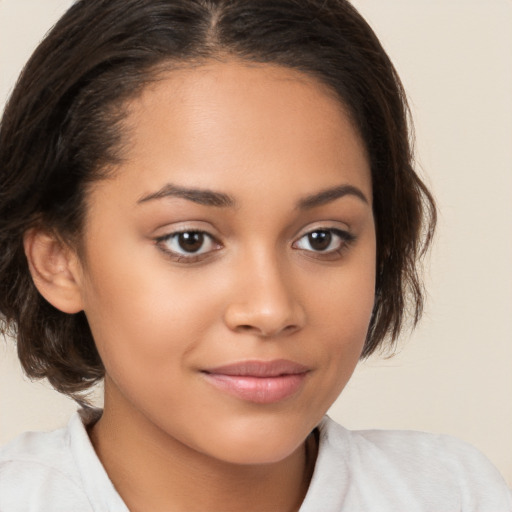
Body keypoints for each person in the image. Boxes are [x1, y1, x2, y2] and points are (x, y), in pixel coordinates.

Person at [0, 0, 510, 510]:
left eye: (321, 237)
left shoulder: (452, 494)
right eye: (190, 240)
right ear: (59, 260)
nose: (270, 310)